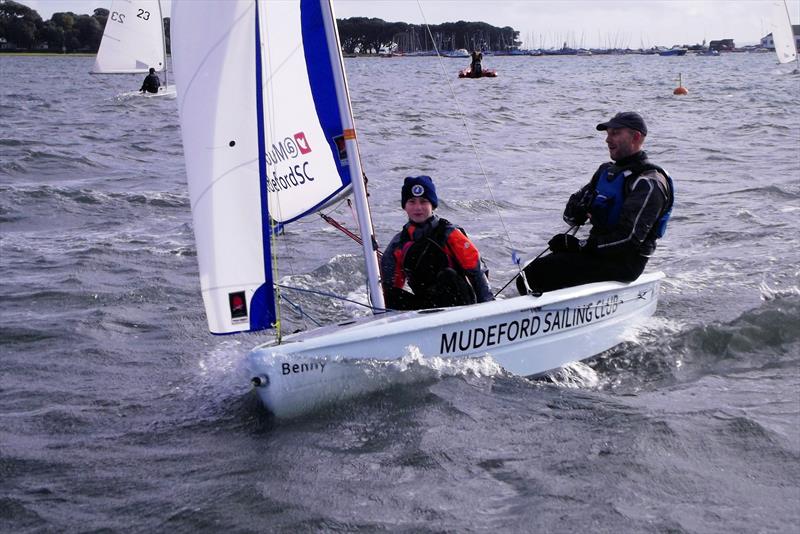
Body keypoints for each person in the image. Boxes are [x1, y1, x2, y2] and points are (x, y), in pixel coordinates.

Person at [516, 111, 674, 295]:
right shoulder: (606, 172)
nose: (607, 139)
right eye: (607, 134)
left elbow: (628, 240)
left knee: (533, 277)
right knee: (528, 275)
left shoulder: (649, 182)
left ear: (636, 137)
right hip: (598, 254)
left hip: (624, 263)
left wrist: (578, 245)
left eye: (615, 133)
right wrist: (581, 209)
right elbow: (570, 214)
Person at [381, 175, 494, 310]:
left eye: (423, 202)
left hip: (460, 304)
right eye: (412, 202)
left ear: (432, 205)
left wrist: (488, 307)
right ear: (404, 206)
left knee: (447, 276)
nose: (418, 207)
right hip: (427, 306)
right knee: (389, 294)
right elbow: (391, 284)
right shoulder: (398, 243)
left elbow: (477, 272)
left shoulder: (450, 233)